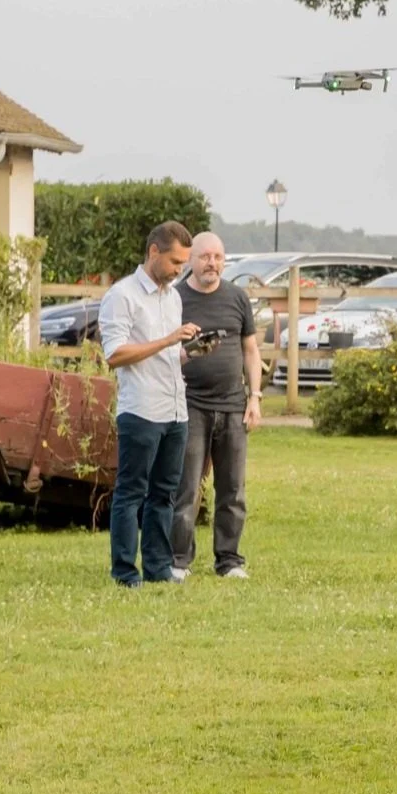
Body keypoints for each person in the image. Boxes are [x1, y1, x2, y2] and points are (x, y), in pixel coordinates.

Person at [98, 222, 200, 589]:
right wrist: (169, 337)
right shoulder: (122, 296)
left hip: (175, 408)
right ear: (154, 252)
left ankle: (158, 569)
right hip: (141, 409)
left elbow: (167, 354)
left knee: (165, 493)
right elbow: (115, 354)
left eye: (184, 264)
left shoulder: (172, 297)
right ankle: (125, 572)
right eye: (175, 262)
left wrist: (188, 352)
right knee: (131, 493)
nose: (179, 270)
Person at [169, 231, 262, 581]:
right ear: (191, 259)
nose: (213, 263)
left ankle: (229, 561)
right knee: (187, 486)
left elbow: (250, 350)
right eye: (206, 256)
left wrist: (254, 397)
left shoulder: (237, 298)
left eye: (219, 257)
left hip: (233, 405)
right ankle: (179, 560)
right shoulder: (175, 298)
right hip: (190, 405)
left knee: (233, 488)